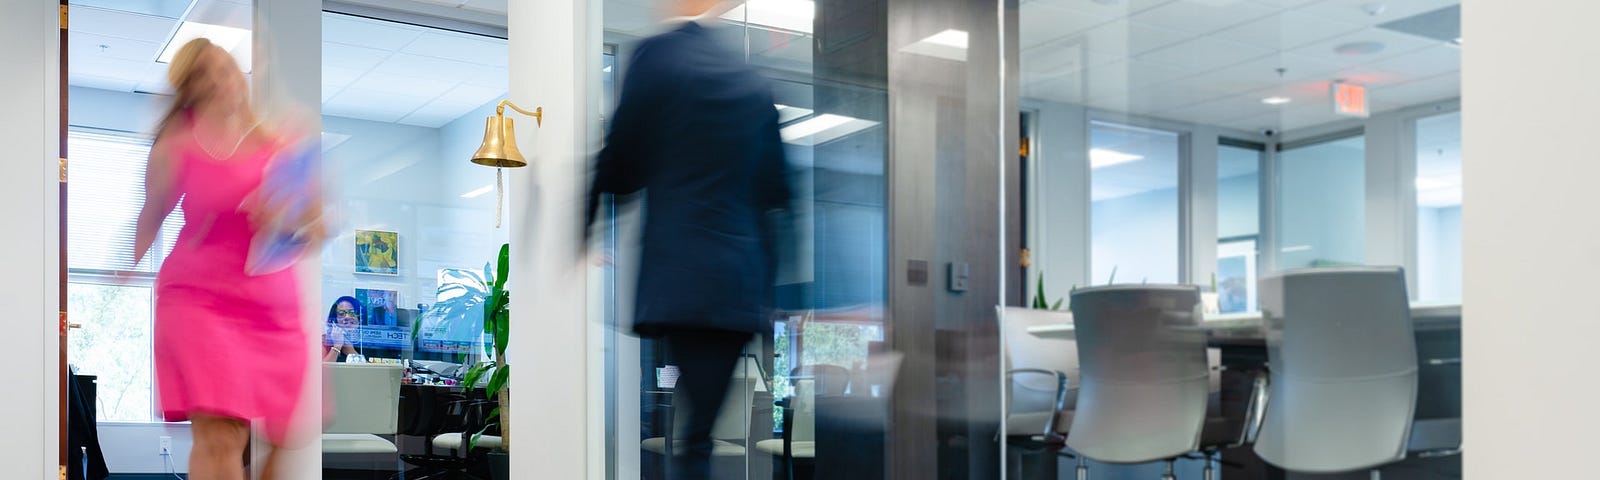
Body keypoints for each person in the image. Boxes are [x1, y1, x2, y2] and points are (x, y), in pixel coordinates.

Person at [586, 1, 791, 477]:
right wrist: (767, 298)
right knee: (699, 427)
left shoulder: (658, 56)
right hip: (739, 286)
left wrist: (589, 221)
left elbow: (621, 165)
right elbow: (777, 197)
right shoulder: (753, 83)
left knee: (693, 438)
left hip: (682, 279)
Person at [134, 38, 321, 480]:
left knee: (288, 437)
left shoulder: (280, 144)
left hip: (269, 304)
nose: (220, 81)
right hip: (198, 298)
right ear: (189, 89)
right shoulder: (176, 147)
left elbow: (316, 228)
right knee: (222, 436)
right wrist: (128, 264)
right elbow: (151, 212)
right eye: (204, 75)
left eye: (226, 69)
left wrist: (283, 217)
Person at [324, 296, 364, 362]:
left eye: (352, 312)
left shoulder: (371, 342)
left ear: (360, 318)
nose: (347, 317)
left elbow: (378, 371)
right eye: (341, 314)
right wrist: (337, 347)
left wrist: (351, 352)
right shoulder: (325, 341)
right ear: (334, 320)